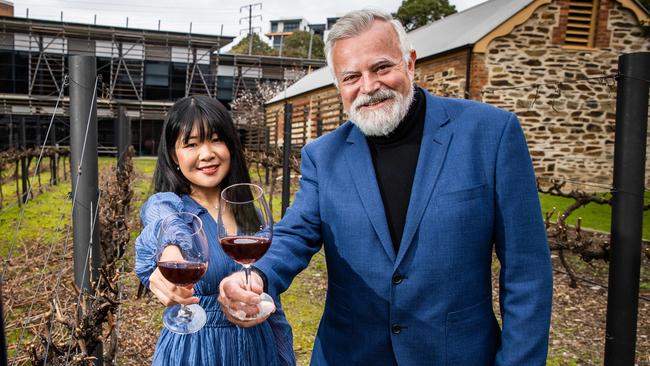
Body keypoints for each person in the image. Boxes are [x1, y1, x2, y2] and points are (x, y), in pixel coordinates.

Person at [219, 8, 553, 366]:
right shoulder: (323, 155)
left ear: (410, 62)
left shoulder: (490, 134)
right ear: (338, 86)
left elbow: (527, 269)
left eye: (381, 67)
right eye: (351, 77)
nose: (369, 86)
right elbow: (295, 234)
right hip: (350, 355)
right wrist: (256, 278)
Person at [134, 95, 295, 366]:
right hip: (199, 350)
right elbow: (163, 223)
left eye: (216, 139)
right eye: (192, 144)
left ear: (230, 145)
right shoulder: (170, 206)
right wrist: (171, 252)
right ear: (174, 155)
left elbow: (272, 299)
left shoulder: (248, 211)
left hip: (257, 348)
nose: (207, 154)